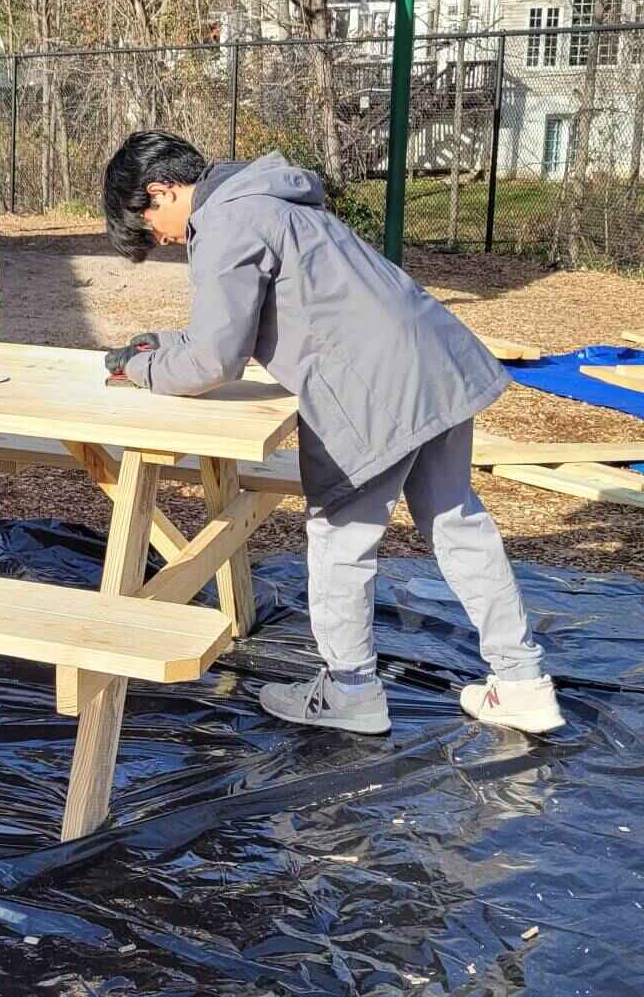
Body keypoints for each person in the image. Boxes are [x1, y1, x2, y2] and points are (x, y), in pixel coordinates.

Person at [99, 131, 564, 736]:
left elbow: (214, 362)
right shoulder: (270, 198)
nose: (164, 241)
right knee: (456, 521)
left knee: (340, 536)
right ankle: (523, 679)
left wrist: (138, 368)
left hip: (372, 389)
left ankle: (351, 692)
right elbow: (229, 331)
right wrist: (160, 347)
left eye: (153, 229)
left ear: (159, 191)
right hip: (435, 361)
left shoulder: (224, 223)